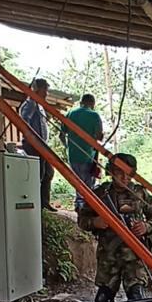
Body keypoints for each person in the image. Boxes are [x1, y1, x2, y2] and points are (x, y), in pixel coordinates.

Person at [77, 153, 152, 302]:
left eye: (129, 174)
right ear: (111, 172)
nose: (124, 178)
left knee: (136, 297)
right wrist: (95, 222)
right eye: (119, 173)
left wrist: (146, 226)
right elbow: (82, 219)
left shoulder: (140, 193)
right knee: (103, 298)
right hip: (109, 254)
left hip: (135, 255)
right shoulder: (101, 194)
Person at [59, 94, 104, 212]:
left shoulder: (70, 113)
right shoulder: (94, 115)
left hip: (73, 155)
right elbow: (99, 136)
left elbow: (61, 135)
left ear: (81, 102)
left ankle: (79, 204)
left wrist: (68, 147)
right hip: (88, 155)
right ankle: (87, 206)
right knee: (88, 184)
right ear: (92, 103)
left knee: (77, 181)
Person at [20, 77, 55, 211]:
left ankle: (44, 202)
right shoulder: (30, 104)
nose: (46, 93)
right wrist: (32, 139)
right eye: (45, 90)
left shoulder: (39, 105)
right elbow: (24, 120)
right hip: (33, 145)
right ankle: (36, 204)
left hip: (42, 144)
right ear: (38, 89)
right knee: (38, 174)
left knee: (48, 172)